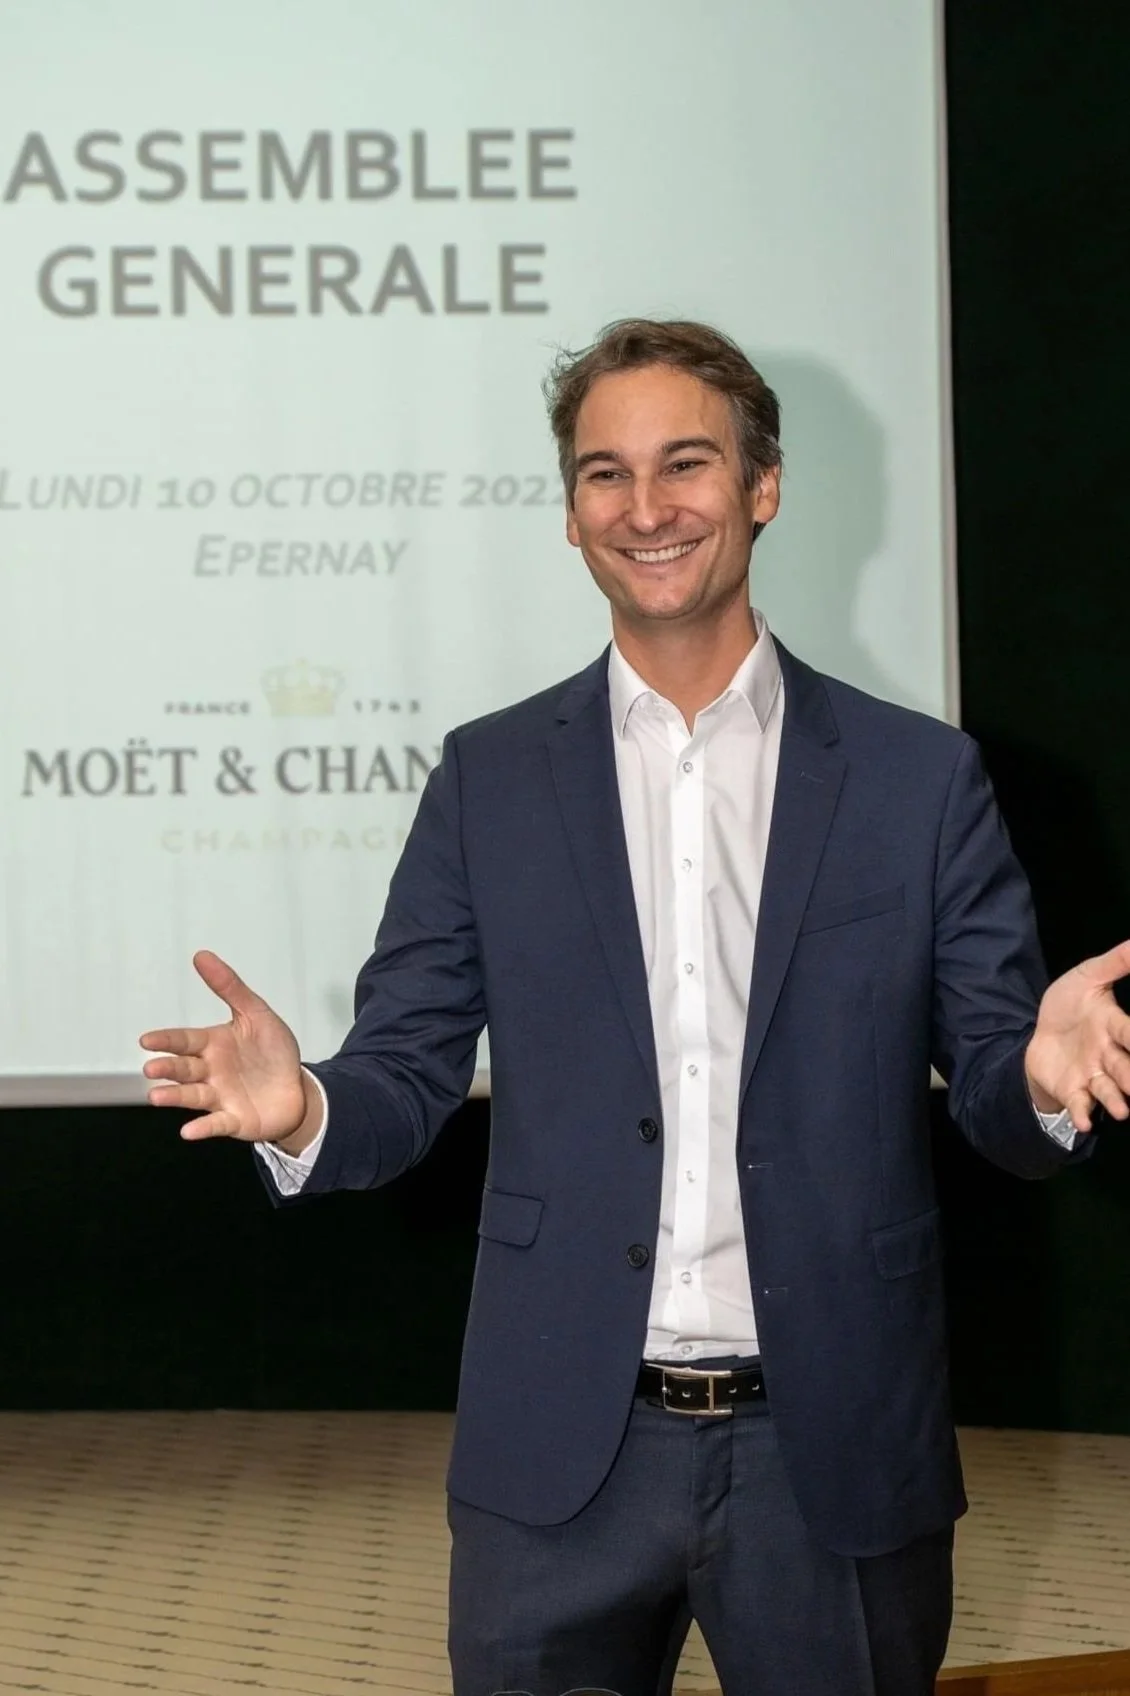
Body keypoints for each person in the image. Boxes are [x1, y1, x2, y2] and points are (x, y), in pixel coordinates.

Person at [141, 320, 1130, 1696]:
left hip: (835, 1444)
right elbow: (405, 1077)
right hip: (558, 1452)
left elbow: (992, 1099)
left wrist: (1036, 1076)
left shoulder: (917, 779)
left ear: (763, 485)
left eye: (686, 463)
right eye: (605, 473)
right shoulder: (488, 780)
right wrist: (302, 1104)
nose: (645, 506)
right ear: (569, 513)